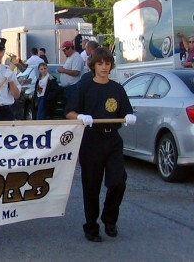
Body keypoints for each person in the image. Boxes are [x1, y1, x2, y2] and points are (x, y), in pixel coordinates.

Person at [65, 47, 137, 243]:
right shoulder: (84, 87)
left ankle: (109, 218)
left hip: (112, 139)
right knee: (91, 187)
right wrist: (80, 116)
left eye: (107, 63)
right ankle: (91, 227)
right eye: (100, 63)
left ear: (111, 65)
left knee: (118, 182)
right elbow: (69, 112)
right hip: (91, 140)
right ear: (93, 65)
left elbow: (126, 112)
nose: (104, 67)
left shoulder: (117, 88)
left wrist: (129, 117)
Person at [58, 40, 85, 107]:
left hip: (74, 87)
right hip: (69, 87)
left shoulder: (76, 57)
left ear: (70, 48)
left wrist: (63, 70)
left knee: (72, 107)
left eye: (65, 51)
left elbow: (76, 72)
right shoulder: (71, 57)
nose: (64, 53)